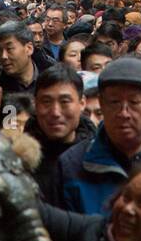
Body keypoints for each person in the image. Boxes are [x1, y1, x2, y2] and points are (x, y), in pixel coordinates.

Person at [57, 57, 141, 215]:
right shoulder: (73, 164)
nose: (124, 113)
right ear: (102, 103)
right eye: (114, 102)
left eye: (134, 102)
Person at [26, 64, 96, 202]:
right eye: (46, 102)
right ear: (35, 104)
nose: (55, 112)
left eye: (65, 102)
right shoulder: (21, 160)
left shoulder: (97, 156)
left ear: (82, 103)